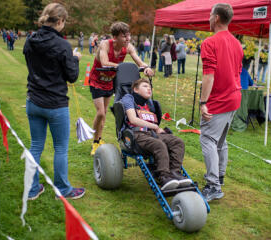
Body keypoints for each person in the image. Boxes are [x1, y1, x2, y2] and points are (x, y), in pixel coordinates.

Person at [23, 3, 85, 200]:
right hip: (54, 104)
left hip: (34, 100)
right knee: (60, 148)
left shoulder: (31, 40)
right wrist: (74, 59)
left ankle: (32, 189)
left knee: (36, 146)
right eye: (63, 23)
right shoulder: (62, 45)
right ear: (59, 21)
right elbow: (72, 76)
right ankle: (62, 190)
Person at [88, 22, 153, 155]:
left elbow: (138, 61)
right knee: (100, 112)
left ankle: (99, 138)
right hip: (97, 81)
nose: (128, 39)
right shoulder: (105, 45)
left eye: (128, 35)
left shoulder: (128, 47)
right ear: (115, 37)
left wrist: (146, 67)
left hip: (110, 82)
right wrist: (122, 66)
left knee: (105, 112)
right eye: (124, 36)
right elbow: (105, 62)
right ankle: (94, 142)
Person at [199, 3, 243, 202]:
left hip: (220, 99)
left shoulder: (210, 42)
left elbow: (209, 76)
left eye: (210, 15)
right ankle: (219, 176)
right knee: (220, 141)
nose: (208, 19)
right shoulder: (236, 43)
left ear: (216, 18)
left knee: (208, 139)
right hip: (234, 98)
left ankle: (213, 185)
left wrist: (203, 102)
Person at [121, 78, 192, 190]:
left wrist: (157, 129)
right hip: (136, 134)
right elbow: (133, 119)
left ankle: (175, 172)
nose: (149, 88)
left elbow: (154, 123)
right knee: (159, 144)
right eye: (145, 86)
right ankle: (163, 176)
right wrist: (154, 127)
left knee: (178, 142)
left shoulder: (149, 104)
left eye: (150, 87)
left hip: (151, 133)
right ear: (135, 89)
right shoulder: (128, 99)